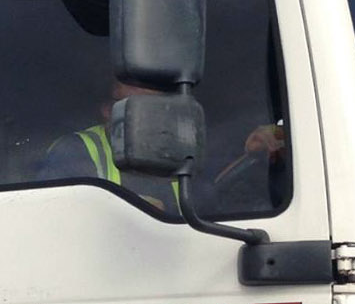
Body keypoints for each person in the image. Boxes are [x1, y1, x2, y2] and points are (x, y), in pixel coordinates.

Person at [41, 79, 286, 216]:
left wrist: (258, 143)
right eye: (136, 105)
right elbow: (52, 226)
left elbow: (220, 188)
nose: (148, 113)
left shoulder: (185, 145)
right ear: (107, 111)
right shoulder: (73, 153)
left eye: (157, 104)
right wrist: (123, 217)